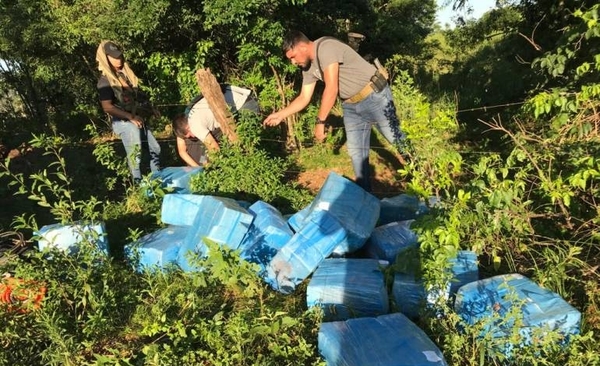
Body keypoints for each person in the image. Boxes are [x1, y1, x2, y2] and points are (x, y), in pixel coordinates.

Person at [263, 31, 405, 192]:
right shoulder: (307, 68)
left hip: (374, 96)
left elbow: (331, 88)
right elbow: (304, 97)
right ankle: (365, 197)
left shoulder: (326, 47)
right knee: (356, 152)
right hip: (351, 105)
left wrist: (320, 122)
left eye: (293, 57)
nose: (293, 62)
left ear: (302, 47)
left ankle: (427, 175)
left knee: (396, 138)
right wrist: (280, 114)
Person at [96, 40, 161, 183]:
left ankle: (157, 180)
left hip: (137, 118)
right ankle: (137, 187)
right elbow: (107, 107)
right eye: (114, 57)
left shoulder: (126, 75)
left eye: (119, 56)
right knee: (135, 155)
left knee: (155, 148)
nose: (118, 60)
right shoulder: (105, 81)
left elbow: (138, 96)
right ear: (106, 58)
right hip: (123, 122)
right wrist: (130, 117)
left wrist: (151, 108)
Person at [172, 84, 259, 162]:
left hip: (243, 107)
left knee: (251, 146)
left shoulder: (194, 125)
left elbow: (214, 149)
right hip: (241, 101)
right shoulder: (192, 115)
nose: (193, 137)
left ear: (187, 128)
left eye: (190, 136)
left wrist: (207, 167)